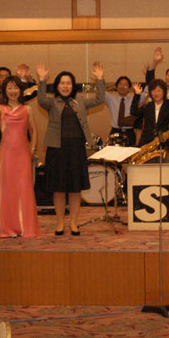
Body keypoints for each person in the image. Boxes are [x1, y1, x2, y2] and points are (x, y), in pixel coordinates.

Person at [37, 61, 105, 236]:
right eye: (62, 83)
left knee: (75, 189)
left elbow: (100, 100)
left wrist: (100, 80)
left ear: (72, 86)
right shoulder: (52, 102)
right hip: (56, 149)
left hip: (76, 149)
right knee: (58, 188)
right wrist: (42, 80)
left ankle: (74, 223)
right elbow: (41, 99)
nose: (65, 86)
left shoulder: (80, 101)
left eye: (68, 83)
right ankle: (60, 223)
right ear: (57, 85)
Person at [0, 76, 40, 238]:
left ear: (21, 90)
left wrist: (32, 149)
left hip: (23, 154)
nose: (13, 91)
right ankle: (7, 228)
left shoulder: (27, 109)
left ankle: (25, 227)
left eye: (16, 87)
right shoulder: (0, 109)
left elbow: (34, 131)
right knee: (7, 190)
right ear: (4, 90)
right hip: (7, 155)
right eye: (9, 87)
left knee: (24, 189)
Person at [131, 79, 169, 148]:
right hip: (147, 143)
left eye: (159, 90)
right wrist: (137, 95)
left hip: (164, 144)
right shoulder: (147, 106)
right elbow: (134, 112)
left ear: (164, 91)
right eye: (153, 91)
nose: (156, 93)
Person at [104, 75, 136, 146]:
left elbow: (145, 93)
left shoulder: (134, 100)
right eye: (120, 84)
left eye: (125, 85)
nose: (122, 87)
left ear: (129, 88)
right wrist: (112, 87)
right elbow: (102, 91)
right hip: (115, 131)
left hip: (129, 132)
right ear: (116, 87)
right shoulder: (111, 99)